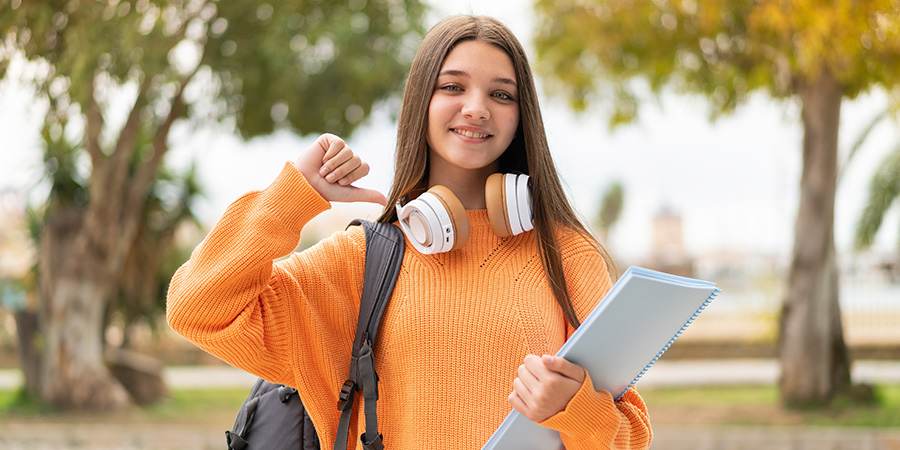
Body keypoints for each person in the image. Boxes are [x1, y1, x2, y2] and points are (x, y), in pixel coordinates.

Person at [167, 14, 651, 450]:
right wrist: (291, 197)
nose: (477, 108)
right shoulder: (362, 261)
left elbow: (631, 434)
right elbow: (197, 309)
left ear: (522, 117)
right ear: (421, 101)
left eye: (502, 94)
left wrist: (578, 412)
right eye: (453, 87)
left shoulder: (567, 254)